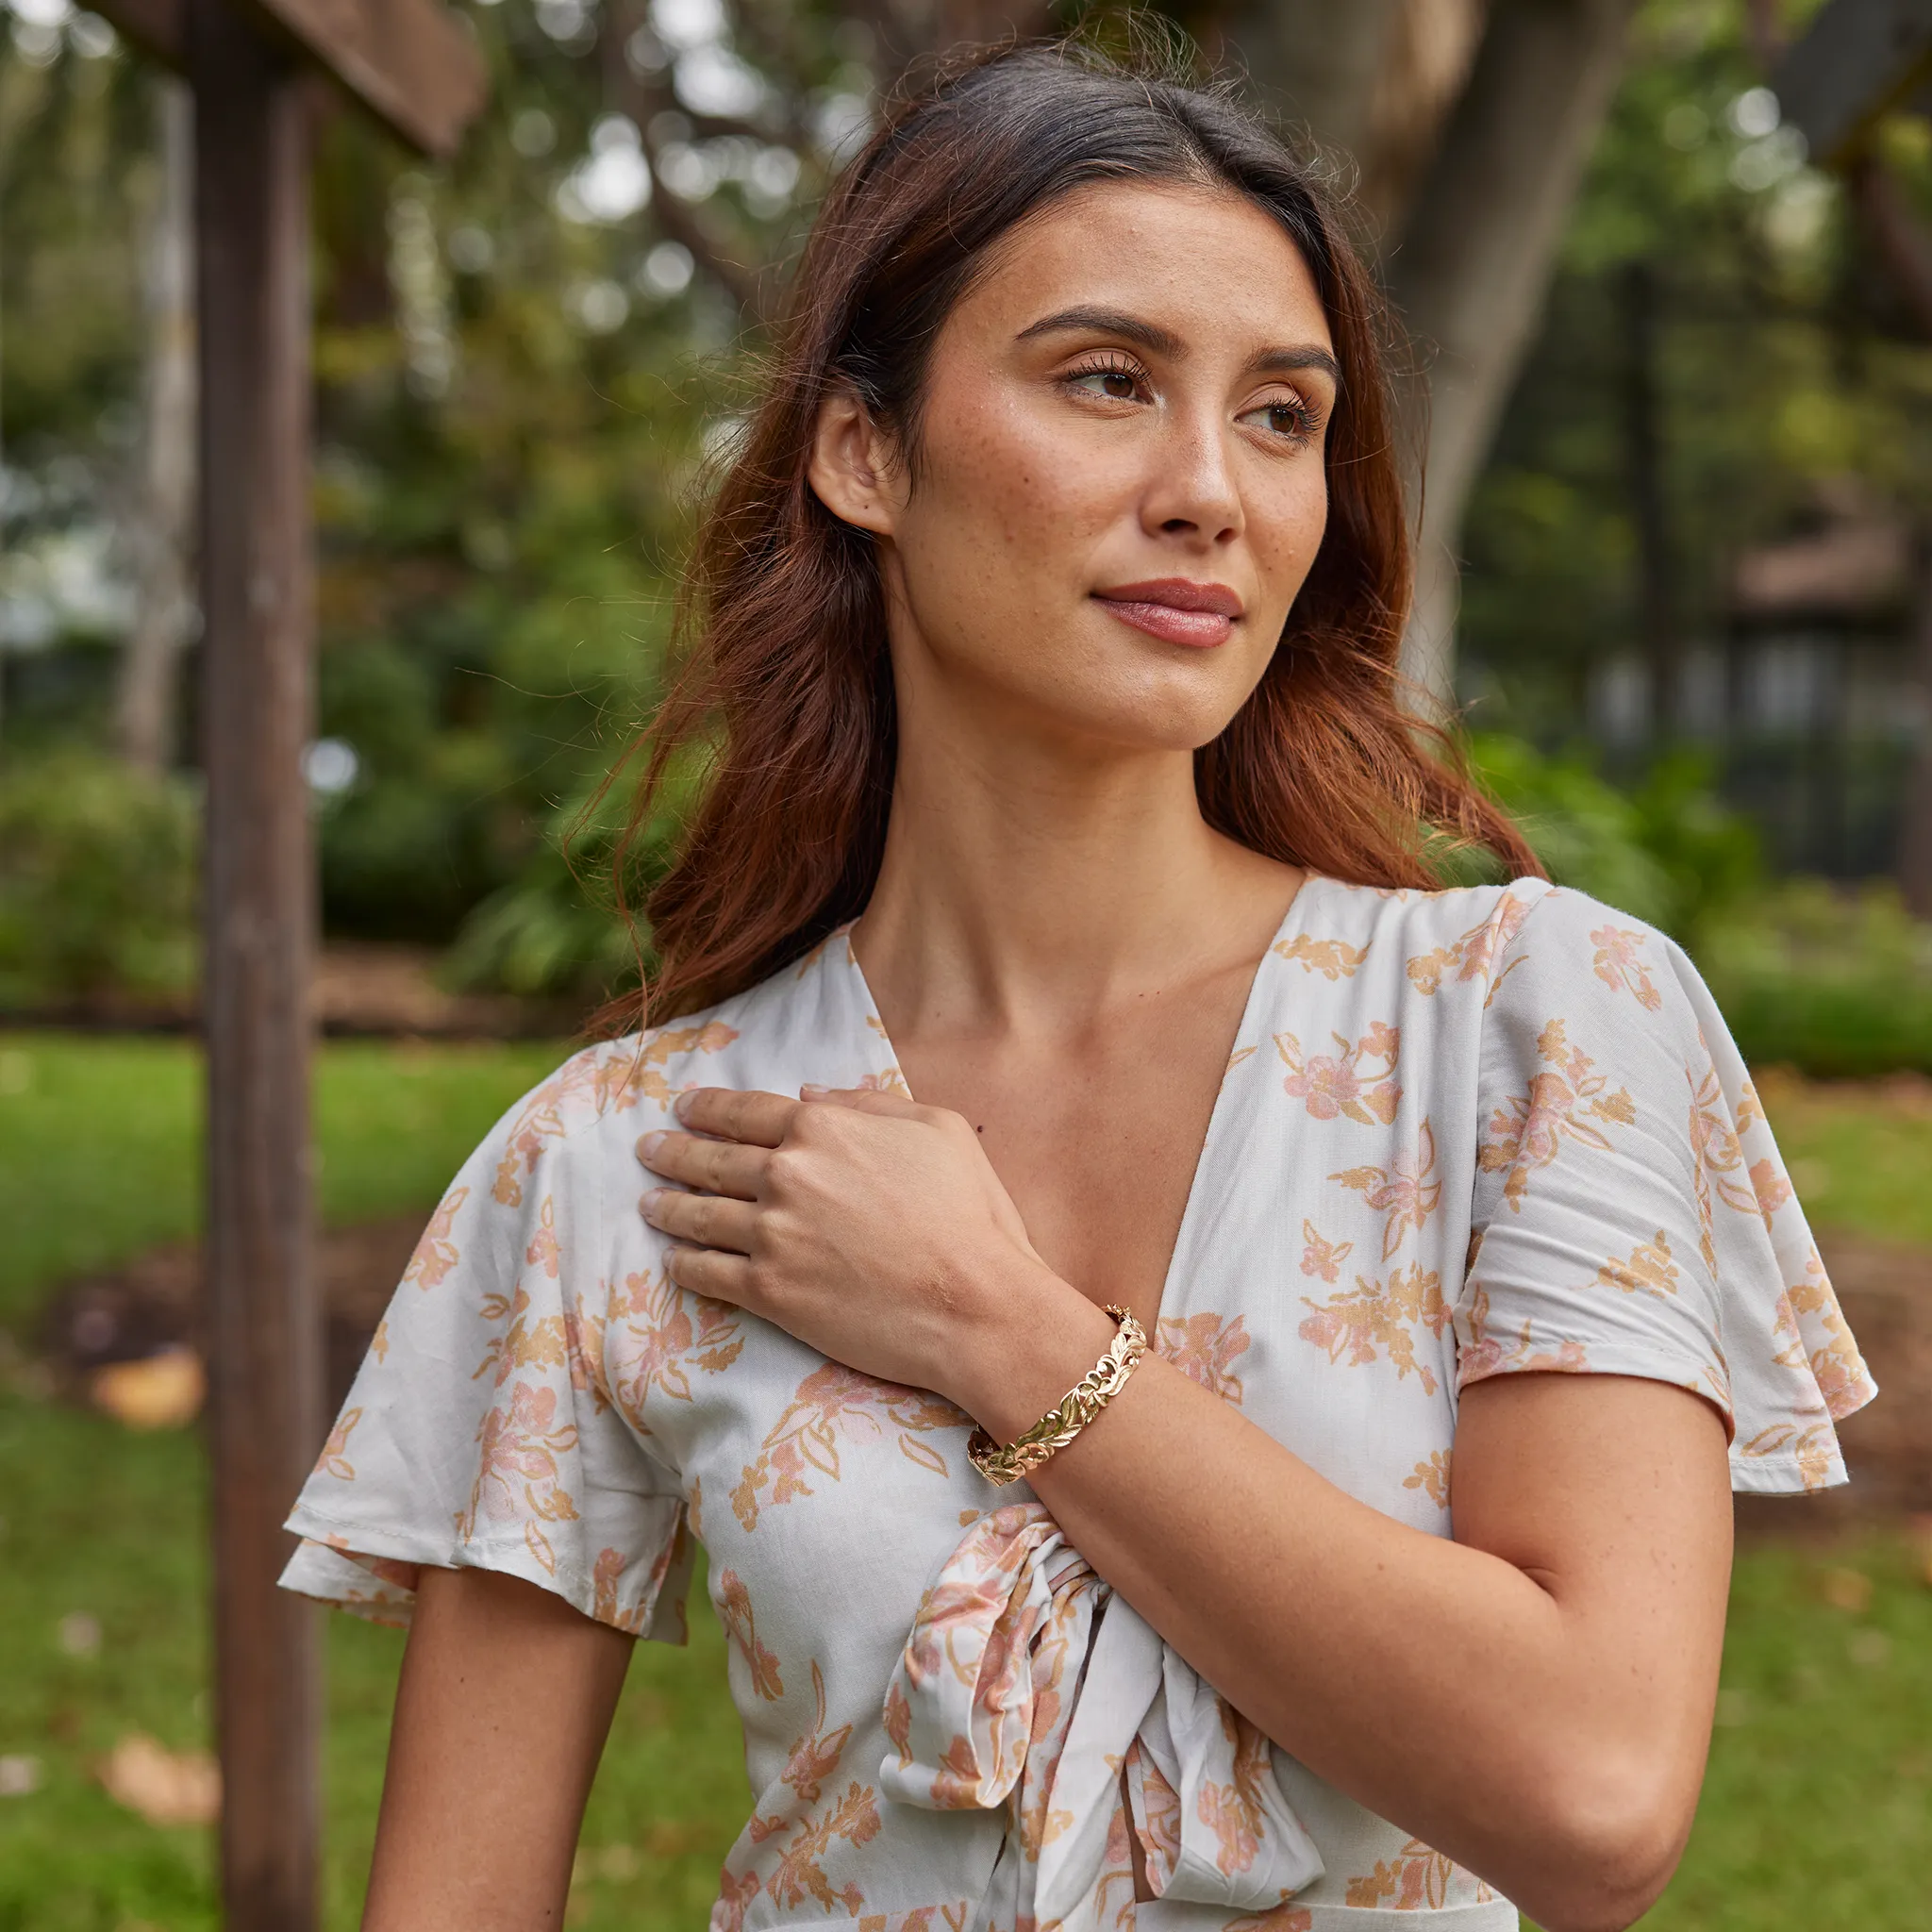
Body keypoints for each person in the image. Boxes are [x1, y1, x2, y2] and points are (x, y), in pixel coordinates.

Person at [282, 41, 1874, 1932]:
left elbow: (1595, 1795)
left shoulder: (1532, 1028)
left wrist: (998, 1323)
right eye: (1106, 382)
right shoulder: (631, 1163)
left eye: (1281, 417)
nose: (1208, 489)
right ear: (862, 449)